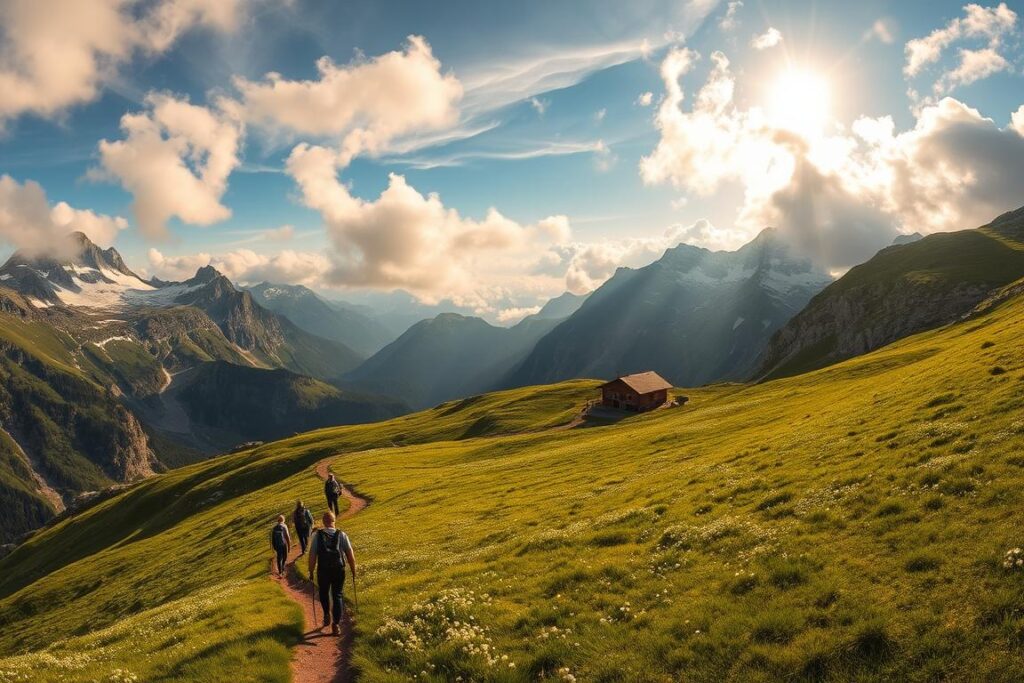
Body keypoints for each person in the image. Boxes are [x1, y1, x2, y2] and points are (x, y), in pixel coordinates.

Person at [308, 510, 356, 635]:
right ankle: (336, 624)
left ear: (323, 522)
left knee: (323, 592)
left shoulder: (317, 536)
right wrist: (353, 569)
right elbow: (350, 555)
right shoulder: (342, 535)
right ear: (334, 521)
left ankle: (326, 614)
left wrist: (311, 571)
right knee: (337, 595)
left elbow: (312, 555)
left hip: (323, 570)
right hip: (338, 569)